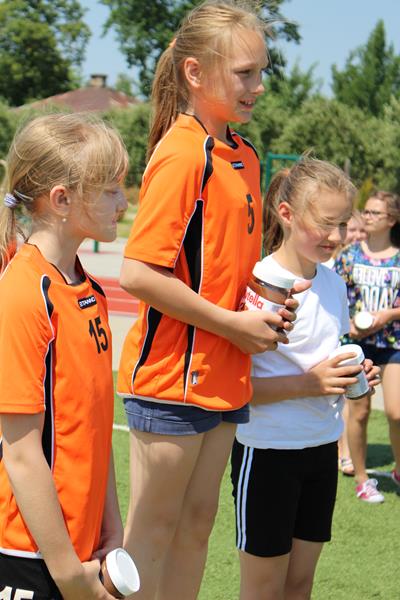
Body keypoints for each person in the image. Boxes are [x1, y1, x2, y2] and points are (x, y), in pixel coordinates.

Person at [117, 3, 307, 599]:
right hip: (170, 379)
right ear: (195, 73)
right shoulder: (182, 153)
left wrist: (266, 303)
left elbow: (223, 268)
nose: (259, 85)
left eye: (261, 71)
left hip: (225, 374)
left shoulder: (245, 155)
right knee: (151, 534)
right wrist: (231, 322)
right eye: (245, 72)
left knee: (197, 528)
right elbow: (137, 273)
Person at [231, 158, 380, 600]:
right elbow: (237, 390)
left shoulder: (334, 284)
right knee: (263, 589)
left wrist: (353, 372)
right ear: (287, 214)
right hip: (267, 453)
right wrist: (311, 384)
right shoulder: (259, 282)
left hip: (321, 451)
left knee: (299, 585)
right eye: (326, 223)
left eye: (343, 224)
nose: (336, 236)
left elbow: (325, 357)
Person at [0, 113, 128, 599]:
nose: (123, 202)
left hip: (82, 548)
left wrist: (110, 528)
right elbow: (20, 453)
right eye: (111, 190)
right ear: (61, 199)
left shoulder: (89, 290)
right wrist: (68, 572)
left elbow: (95, 425)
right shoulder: (23, 293)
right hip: (28, 555)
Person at [334, 190, 400, 503]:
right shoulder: (349, 256)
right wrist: (346, 323)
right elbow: (334, 294)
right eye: (367, 211)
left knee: (397, 413)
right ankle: (362, 479)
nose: (368, 217)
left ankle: (398, 470)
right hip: (357, 344)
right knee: (358, 413)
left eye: (376, 213)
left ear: (392, 220)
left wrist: (388, 314)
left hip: (392, 343)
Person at [337, 209, 367, 476]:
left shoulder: (358, 261)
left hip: (353, 333)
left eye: (362, 231)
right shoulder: (330, 261)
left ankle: (345, 451)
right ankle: (343, 452)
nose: (358, 235)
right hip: (339, 334)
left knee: (350, 397)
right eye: (352, 229)